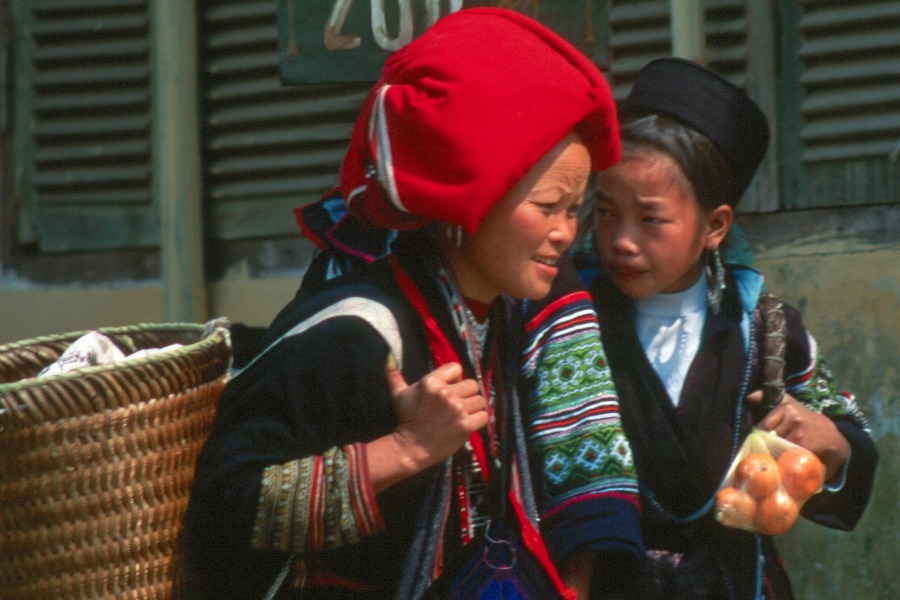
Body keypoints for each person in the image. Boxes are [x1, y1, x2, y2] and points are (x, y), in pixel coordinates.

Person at [179, 8, 643, 599]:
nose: (565, 233)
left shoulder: (494, 315)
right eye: (548, 206)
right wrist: (405, 449)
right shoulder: (354, 331)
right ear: (474, 200)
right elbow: (225, 505)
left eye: (576, 210)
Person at [584, 57, 879, 599]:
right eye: (605, 212)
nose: (621, 240)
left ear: (715, 225)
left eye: (650, 219)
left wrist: (831, 444)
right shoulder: (571, 322)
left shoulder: (764, 330)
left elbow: (848, 436)